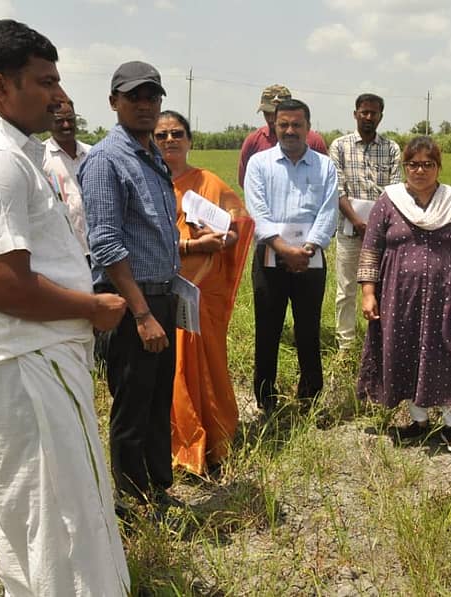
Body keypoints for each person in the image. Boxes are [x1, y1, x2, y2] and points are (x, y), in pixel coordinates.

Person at [0, 19, 129, 594]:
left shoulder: (9, 150)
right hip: (28, 364)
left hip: (25, 360)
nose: (58, 96)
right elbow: (1, 283)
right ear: (0, 85)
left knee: (35, 515)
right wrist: (91, 306)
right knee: (61, 514)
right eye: (44, 82)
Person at [80, 60, 181, 505]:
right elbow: (105, 243)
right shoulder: (107, 160)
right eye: (133, 97)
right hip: (131, 304)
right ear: (113, 102)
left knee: (159, 400)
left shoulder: (152, 154)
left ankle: (159, 487)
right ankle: (131, 500)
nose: (144, 105)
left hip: (161, 299)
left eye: (152, 97)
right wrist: (141, 314)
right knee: (132, 407)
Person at [357, 136, 451, 453]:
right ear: (405, 167)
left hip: (448, 295)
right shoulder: (389, 201)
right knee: (408, 351)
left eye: (428, 164)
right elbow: (371, 249)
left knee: (449, 354)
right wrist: (368, 293)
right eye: (413, 164)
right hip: (399, 297)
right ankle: (419, 422)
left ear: (439, 167)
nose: (420, 170)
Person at [153, 110, 255, 475]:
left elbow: (237, 225)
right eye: (161, 135)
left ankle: (216, 438)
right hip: (160, 289)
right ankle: (179, 443)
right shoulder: (148, 184)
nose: (169, 140)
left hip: (202, 291)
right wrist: (188, 246)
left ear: (190, 140)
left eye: (176, 133)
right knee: (172, 367)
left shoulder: (207, 181)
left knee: (209, 363)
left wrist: (222, 239)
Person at [245, 99, 338, 413]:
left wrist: (308, 248)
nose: (289, 130)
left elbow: (328, 212)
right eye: (283, 124)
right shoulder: (260, 163)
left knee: (309, 328)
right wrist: (283, 249)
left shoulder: (324, 165)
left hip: (311, 258)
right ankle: (266, 398)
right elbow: (257, 212)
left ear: (308, 128)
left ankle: (310, 397)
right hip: (270, 257)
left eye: (296, 124)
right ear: (274, 126)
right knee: (267, 328)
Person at [329, 93, 401, 351]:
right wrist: (358, 222)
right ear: (355, 114)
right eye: (364, 112)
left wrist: (375, 227)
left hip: (382, 234)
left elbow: (395, 191)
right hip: (349, 231)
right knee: (346, 290)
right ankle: (345, 345)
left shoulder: (391, 148)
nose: (369, 117)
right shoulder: (340, 146)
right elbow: (337, 189)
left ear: (381, 116)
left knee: (381, 289)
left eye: (374, 113)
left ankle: (379, 344)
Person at [237, 84, 329, 187]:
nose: (271, 119)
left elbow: (324, 178)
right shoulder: (253, 141)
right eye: (267, 113)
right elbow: (245, 182)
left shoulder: (314, 140)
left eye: (275, 113)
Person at [43, 98, 92, 257]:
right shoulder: (40, 157)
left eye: (70, 119)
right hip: (63, 251)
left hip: (97, 250)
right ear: (49, 121)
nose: (66, 125)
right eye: (59, 120)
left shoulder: (93, 154)